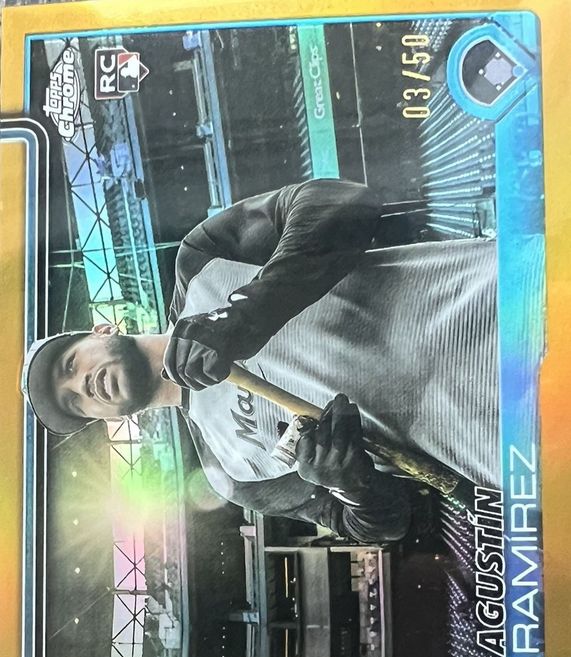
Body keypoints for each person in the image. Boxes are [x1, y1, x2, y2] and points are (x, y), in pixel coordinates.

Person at [22, 179, 499, 544]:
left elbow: (344, 201)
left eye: (69, 365)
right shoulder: (232, 474)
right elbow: (382, 526)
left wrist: (247, 314)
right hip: (499, 445)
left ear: (102, 330)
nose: (82, 386)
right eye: (75, 403)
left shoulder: (201, 263)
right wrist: (353, 486)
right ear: (104, 419)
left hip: (497, 297)